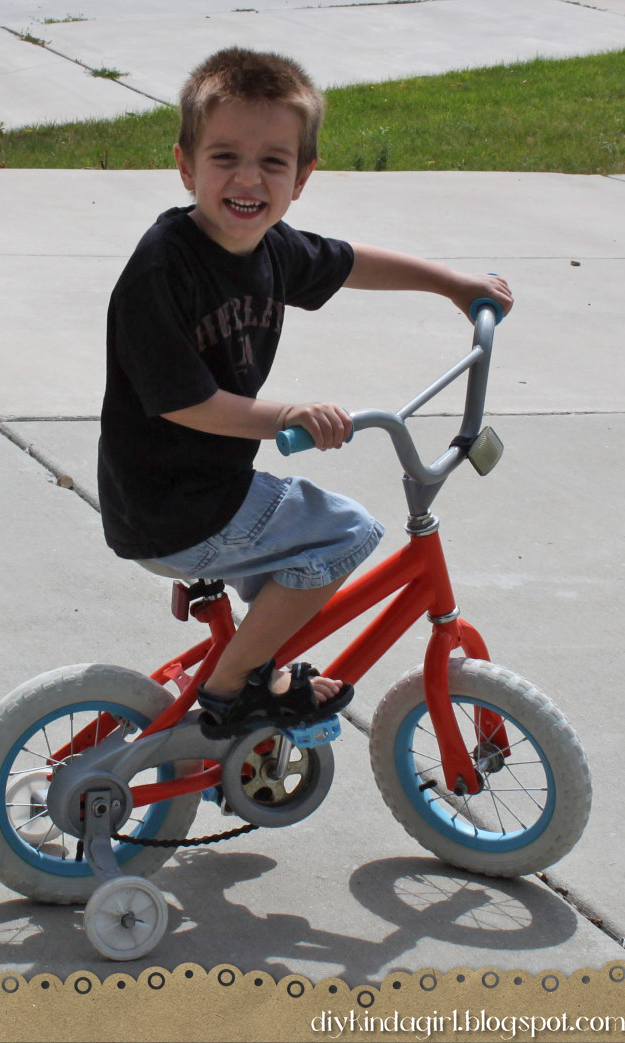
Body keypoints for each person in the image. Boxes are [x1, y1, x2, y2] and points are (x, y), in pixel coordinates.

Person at [97, 47, 513, 738]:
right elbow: (184, 402)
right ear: (184, 164)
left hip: (202, 492)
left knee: (300, 549)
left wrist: (452, 283)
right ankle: (233, 688)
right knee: (343, 532)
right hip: (175, 504)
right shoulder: (163, 268)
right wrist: (284, 414)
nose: (248, 178)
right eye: (225, 156)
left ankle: (261, 669)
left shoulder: (268, 246)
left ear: (303, 176)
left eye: (273, 161)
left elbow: (349, 262)